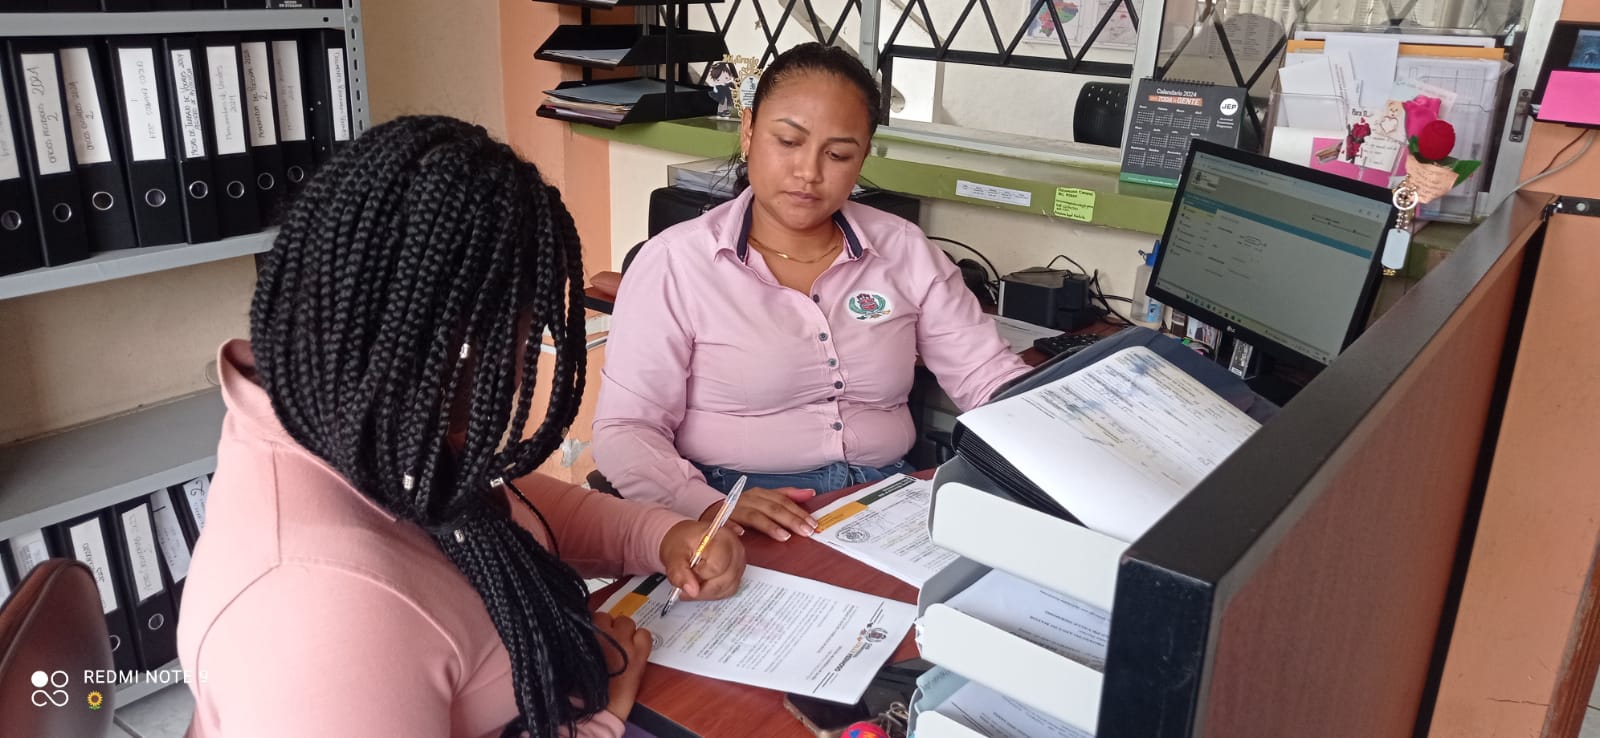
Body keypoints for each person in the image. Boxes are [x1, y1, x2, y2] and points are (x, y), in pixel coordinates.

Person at [177, 116, 745, 738]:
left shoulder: (358, 420)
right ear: (452, 353)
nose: (519, 375)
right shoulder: (310, 613)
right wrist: (598, 714)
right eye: (519, 345)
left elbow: (499, 511)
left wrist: (657, 535)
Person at [592, 43, 1028, 543]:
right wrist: (707, 506)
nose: (809, 172)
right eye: (788, 141)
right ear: (748, 131)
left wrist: (1062, 421)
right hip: (739, 501)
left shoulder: (903, 250)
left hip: (889, 498)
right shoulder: (676, 263)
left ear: (863, 156)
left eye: (838, 154)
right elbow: (626, 429)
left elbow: (986, 376)